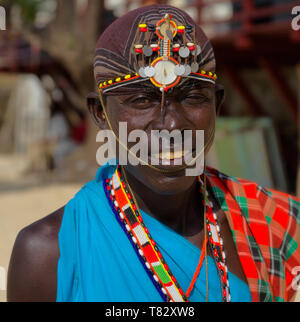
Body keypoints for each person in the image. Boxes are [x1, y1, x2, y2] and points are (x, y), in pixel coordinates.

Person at [7, 4, 300, 302]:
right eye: (141, 100)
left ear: (217, 104)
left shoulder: (273, 221)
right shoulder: (47, 255)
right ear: (99, 113)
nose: (171, 124)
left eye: (193, 96)